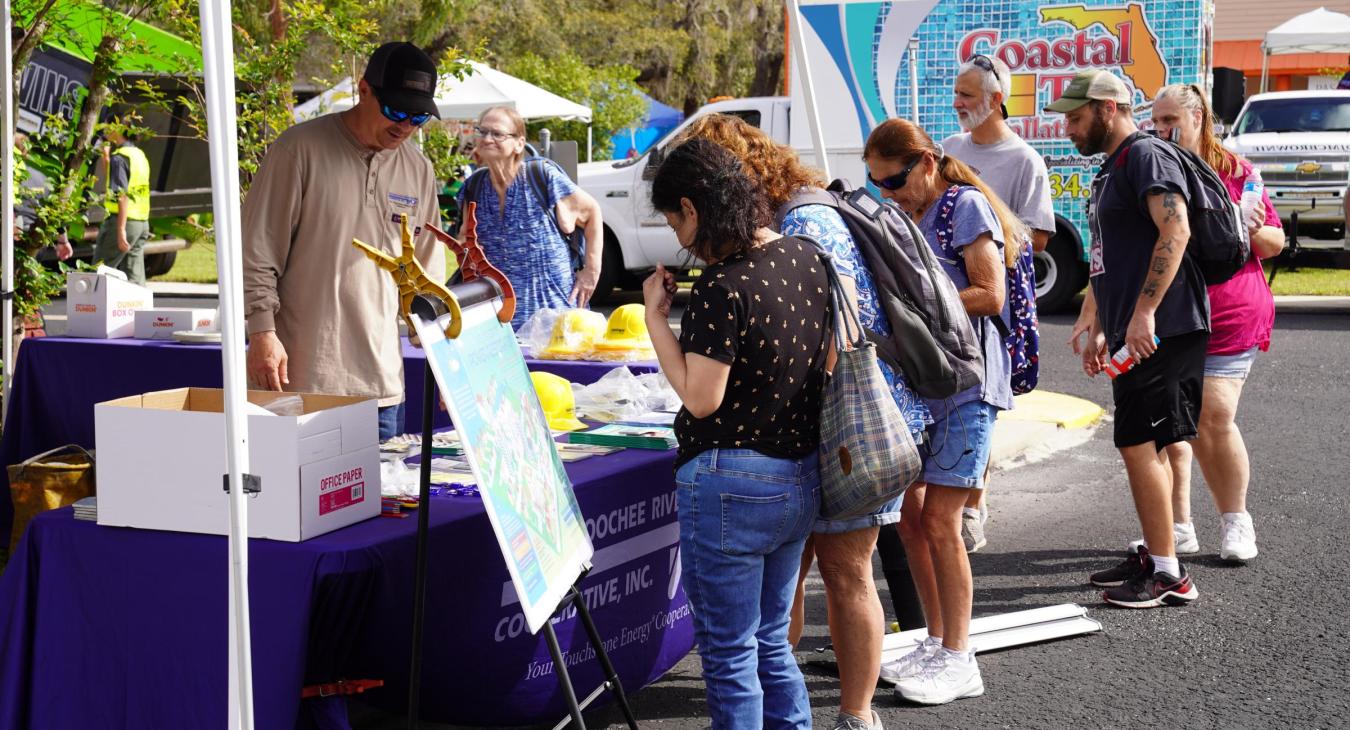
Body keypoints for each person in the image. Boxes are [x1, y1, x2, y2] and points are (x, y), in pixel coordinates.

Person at [676, 113, 931, 730]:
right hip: (807, 443)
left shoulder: (799, 227)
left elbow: (835, 340)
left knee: (841, 577)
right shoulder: (791, 232)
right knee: (772, 627)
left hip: (836, 433)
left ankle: (857, 713)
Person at [644, 138, 830, 729]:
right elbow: (826, 358)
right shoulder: (806, 256)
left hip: (730, 483)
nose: (676, 234)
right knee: (771, 642)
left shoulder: (721, 287)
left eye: (673, 219)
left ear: (692, 208)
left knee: (728, 655)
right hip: (800, 474)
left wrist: (656, 320)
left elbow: (701, 400)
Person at [864, 118, 1018, 705]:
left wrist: (916, 305)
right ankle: (936, 639)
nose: (889, 193)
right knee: (911, 520)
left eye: (895, 179)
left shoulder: (966, 205)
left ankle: (960, 656)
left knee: (940, 523)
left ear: (927, 161)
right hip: (930, 382)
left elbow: (990, 292)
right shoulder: (908, 212)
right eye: (877, 184)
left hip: (969, 383)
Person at [1047, 70, 1207, 608]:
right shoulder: (1112, 168)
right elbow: (1106, 256)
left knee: (1141, 444)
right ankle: (1159, 556)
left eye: (1075, 117)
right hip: (1133, 331)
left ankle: (1169, 574)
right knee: (1142, 446)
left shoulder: (1145, 157)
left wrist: (1143, 314)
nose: (1068, 128)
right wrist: (1095, 321)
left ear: (1108, 109)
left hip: (1166, 328)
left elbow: (1176, 229)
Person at [244, 41, 446, 441]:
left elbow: (426, 273)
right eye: (396, 110)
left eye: (419, 117)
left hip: (382, 389)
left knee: (380, 504)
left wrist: (443, 352)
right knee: (294, 503)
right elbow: (256, 251)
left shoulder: (418, 169)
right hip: (300, 382)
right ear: (364, 90)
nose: (405, 125)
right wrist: (262, 332)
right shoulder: (298, 149)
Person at [1115, 83, 1281, 562]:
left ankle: (1236, 523)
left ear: (1199, 119)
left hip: (1230, 311)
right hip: (1173, 314)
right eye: (1157, 122)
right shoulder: (1151, 169)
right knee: (1166, 423)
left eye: (1173, 122)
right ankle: (1177, 527)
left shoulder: (1236, 171)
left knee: (1212, 416)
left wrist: (1245, 228)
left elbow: (1273, 240)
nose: (1163, 131)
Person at [942, 53, 1055, 553]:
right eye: (958, 92)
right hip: (949, 299)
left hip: (995, 301)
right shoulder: (948, 149)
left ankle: (972, 504)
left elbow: (1041, 236)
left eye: (966, 94)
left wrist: (984, 239)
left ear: (997, 100)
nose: (957, 102)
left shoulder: (1023, 159)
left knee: (981, 403)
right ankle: (951, 497)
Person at [457, 106, 603, 329]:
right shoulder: (473, 187)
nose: (487, 139)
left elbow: (592, 212)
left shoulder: (542, 178)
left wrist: (591, 272)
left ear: (519, 143)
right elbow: (464, 245)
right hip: (499, 326)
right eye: (482, 131)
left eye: (497, 134)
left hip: (556, 323)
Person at [94, 124, 151, 285]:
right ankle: (141, 310)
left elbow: (122, 196)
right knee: (135, 278)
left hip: (122, 221)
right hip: (141, 222)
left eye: (110, 126)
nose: (107, 131)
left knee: (100, 272)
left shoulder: (119, 158)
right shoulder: (138, 155)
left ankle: (95, 309)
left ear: (119, 130)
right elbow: (116, 182)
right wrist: (106, 158)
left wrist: (120, 230)